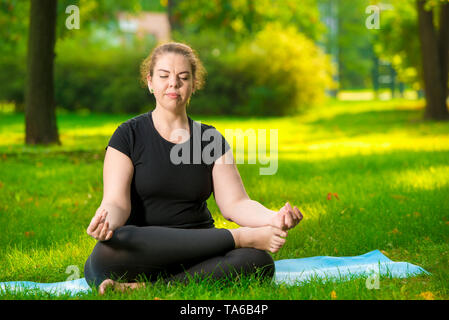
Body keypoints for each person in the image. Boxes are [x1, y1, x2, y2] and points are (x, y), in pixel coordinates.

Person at [83, 42, 303, 295]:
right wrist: (106, 220)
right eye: (164, 76)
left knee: (258, 263)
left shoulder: (209, 139)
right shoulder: (127, 135)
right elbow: (116, 203)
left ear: (194, 84)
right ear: (150, 82)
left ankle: (144, 288)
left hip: (199, 249)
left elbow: (236, 204)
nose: (173, 84)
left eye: (183, 77)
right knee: (108, 252)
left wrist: (273, 217)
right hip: (143, 249)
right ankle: (240, 237)